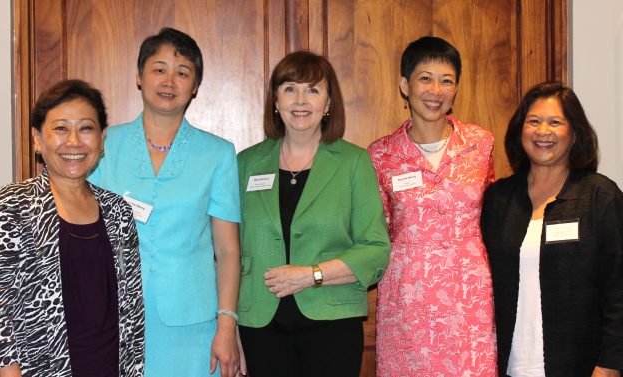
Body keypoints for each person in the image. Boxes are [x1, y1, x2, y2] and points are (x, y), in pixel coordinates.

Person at [88, 28, 242, 377]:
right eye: (159, 69)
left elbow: (228, 251)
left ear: (195, 86)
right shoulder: (104, 145)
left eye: (182, 72)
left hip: (194, 323)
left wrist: (227, 325)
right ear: (139, 76)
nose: (169, 81)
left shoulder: (217, 154)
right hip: (114, 316)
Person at [236, 50, 390, 377]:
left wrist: (310, 275)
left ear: (328, 104)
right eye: (290, 88)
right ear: (275, 101)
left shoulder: (353, 163)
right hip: (260, 325)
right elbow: (228, 249)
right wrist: (229, 325)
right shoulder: (246, 164)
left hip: (332, 323)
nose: (300, 100)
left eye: (313, 89)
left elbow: (375, 250)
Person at [0, 79, 144, 377]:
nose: (74, 141)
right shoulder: (14, 205)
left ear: (101, 138)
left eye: (85, 128)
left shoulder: (117, 211)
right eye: (60, 129)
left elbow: (132, 308)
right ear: (37, 138)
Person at [368, 36, 498, 376]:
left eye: (447, 81)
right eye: (425, 78)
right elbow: (377, 229)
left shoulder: (480, 144)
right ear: (404, 85)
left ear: (456, 90)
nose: (435, 90)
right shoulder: (381, 155)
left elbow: (495, 214)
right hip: (407, 295)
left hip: (469, 292)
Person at [481, 82, 623, 377]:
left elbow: (618, 287)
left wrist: (610, 363)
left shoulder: (600, 196)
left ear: (574, 134)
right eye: (533, 121)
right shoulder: (499, 199)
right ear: (520, 131)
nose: (542, 131)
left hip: (583, 366)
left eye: (555, 122)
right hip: (510, 364)